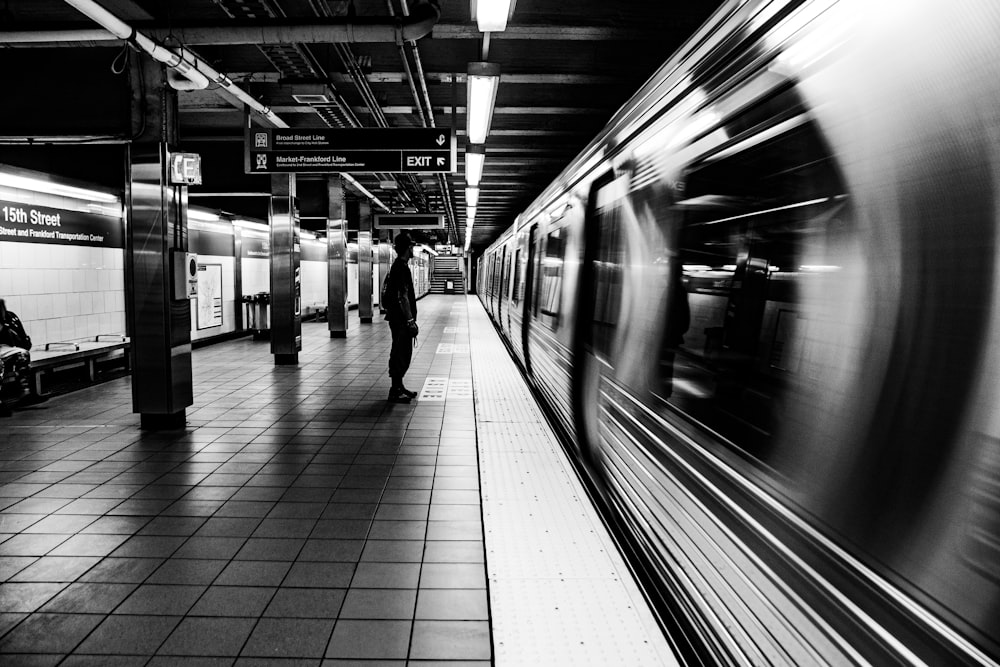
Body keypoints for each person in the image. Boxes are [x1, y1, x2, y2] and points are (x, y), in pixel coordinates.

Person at [383, 232, 420, 402]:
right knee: (401, 353)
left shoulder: (398, 266)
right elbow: (402, 296)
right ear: (407, 248)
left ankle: (398, 386)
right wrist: (410, 321)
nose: (413, 249)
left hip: (397, 319)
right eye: (411, 246)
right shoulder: (401, 268)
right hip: (401, 320)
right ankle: (395, 391)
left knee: (400, 352)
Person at [0, 298, 32, 417]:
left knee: (22, 354)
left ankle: (25, 392)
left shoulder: (9, 318)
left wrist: (6, 325)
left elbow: (24, 342)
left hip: (4, 348)